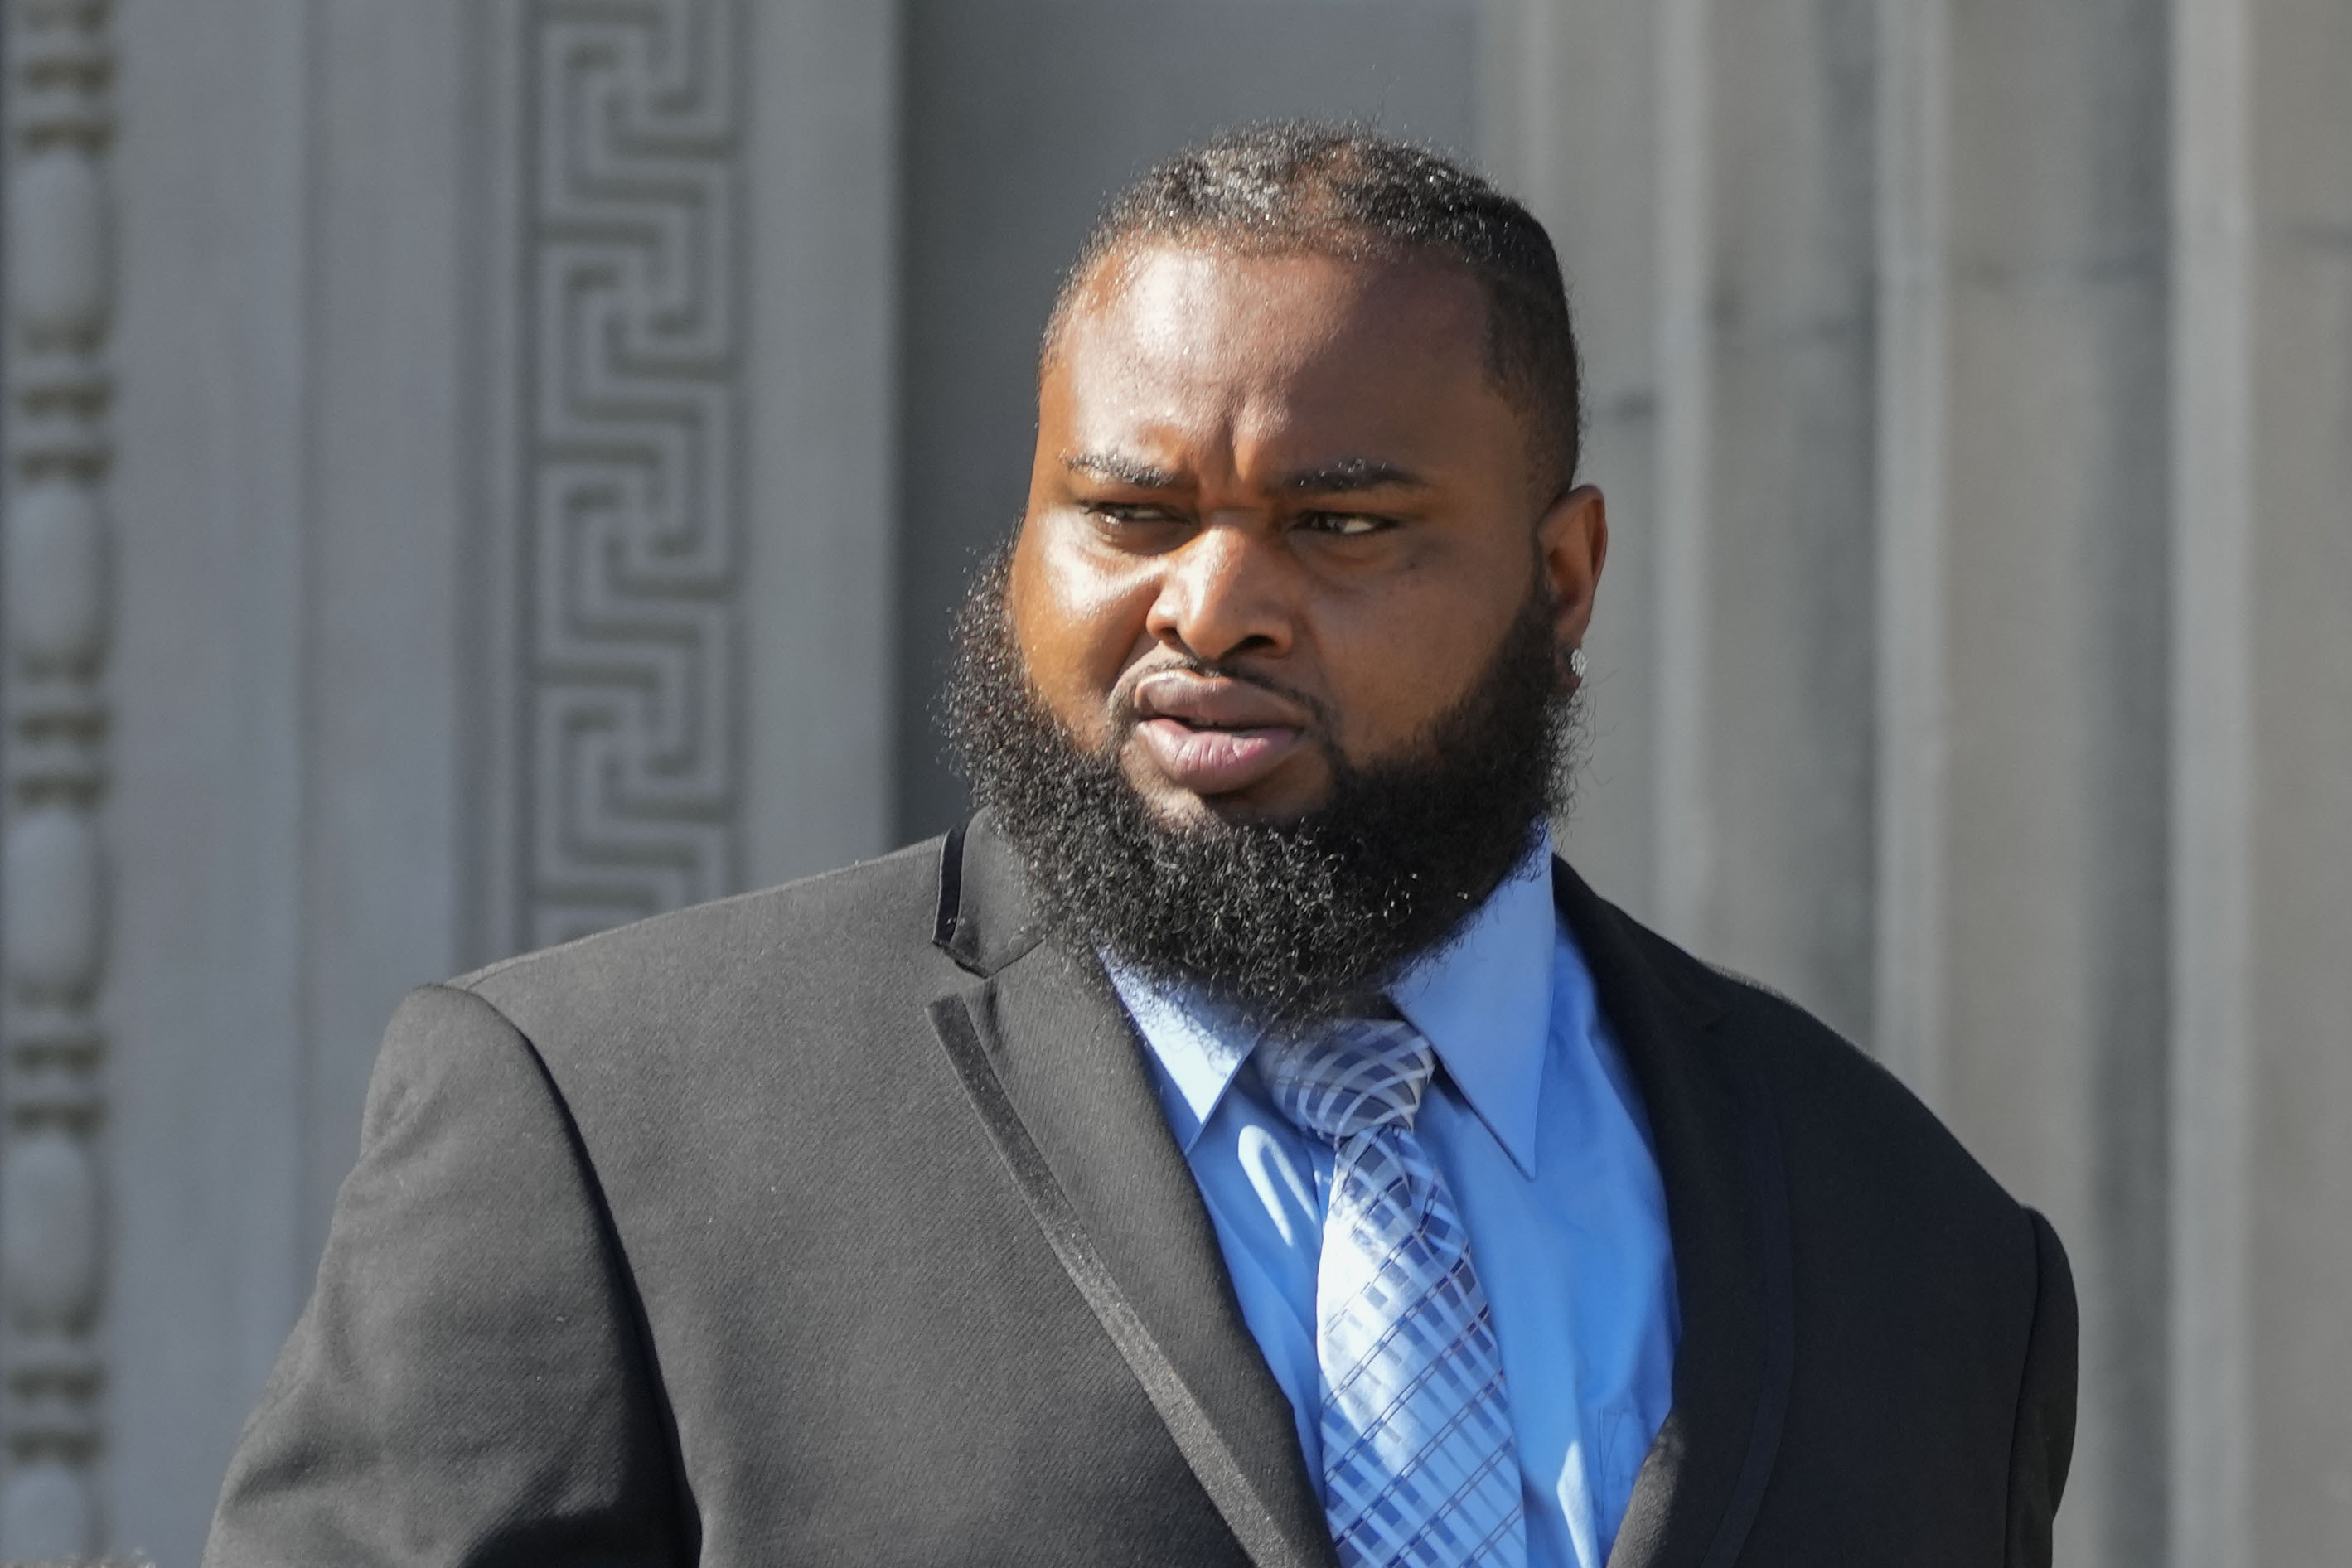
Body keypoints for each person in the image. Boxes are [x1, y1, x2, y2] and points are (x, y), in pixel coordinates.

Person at [203, 123, 2074, 1568]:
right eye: (1127, 509)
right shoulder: (604, 1130)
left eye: (1342, 527)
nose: (1213, 604)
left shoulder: (1918, 1250)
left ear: (1562, 578)